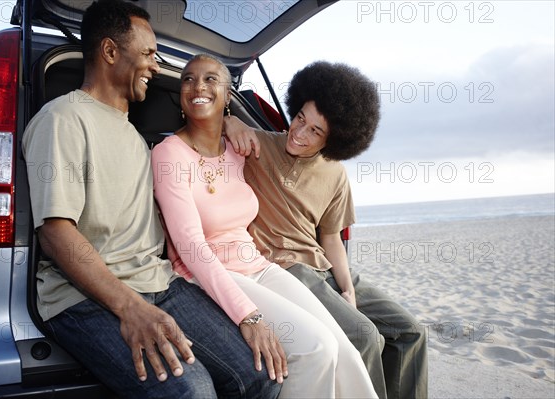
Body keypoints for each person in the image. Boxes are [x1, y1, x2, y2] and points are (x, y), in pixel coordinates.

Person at [22, 1, 281, 398]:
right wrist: (130, 308)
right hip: (84, 296)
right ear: (110, 52)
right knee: (191, 391)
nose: (156, 67)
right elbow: (56, 234)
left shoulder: (136, 137)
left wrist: (228, 120)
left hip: (158, 283)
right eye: (147, 54)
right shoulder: (63, 120)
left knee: (257, 374)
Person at [151, 54, 378, 399]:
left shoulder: (239, 150)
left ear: (229, 95)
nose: (198, 86)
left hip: (259, 266)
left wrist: (233, 124)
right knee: (316, 350)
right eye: (188, 79)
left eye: (211, 79)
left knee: (343, 350)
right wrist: (249, 316)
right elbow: (190, 247)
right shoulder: (169, 154)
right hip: (209, 274)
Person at [224, 61, 428, 399]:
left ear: (335, 139)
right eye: (300, 118)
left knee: (411, 332)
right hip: (288, 269)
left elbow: (331, 237)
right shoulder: (256, 145)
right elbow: (207, 126)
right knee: (364, 336)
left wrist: (347, 288)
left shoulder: (335, 174)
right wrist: (229, 122)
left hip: (324, 268)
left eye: (315, 131)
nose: (299, 133)